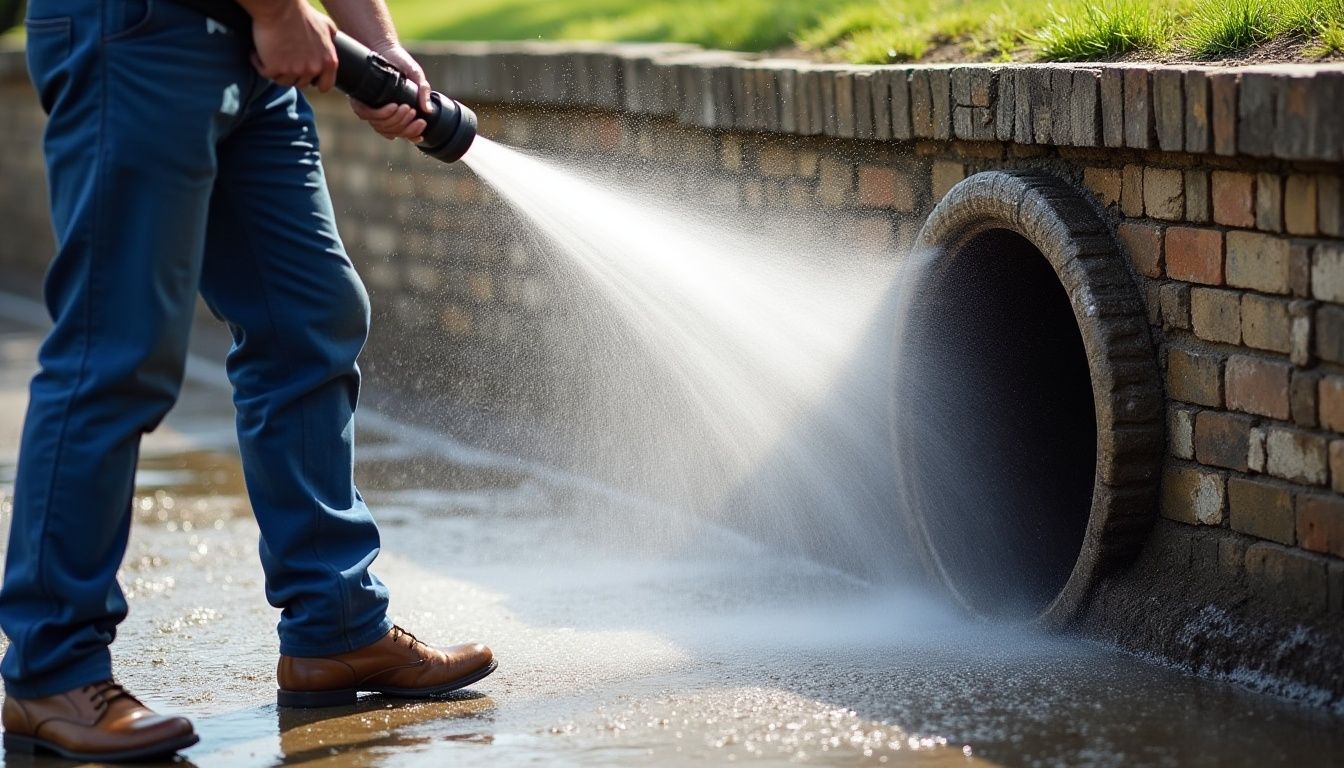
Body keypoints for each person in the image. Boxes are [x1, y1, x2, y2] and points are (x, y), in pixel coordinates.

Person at [0, 0, 495, 761]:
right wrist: (278, 7)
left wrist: (376, 45)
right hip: (137, 33)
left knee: (309, 318)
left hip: (246, 54)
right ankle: (51, 669)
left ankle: (336, 627)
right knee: (117, 347)